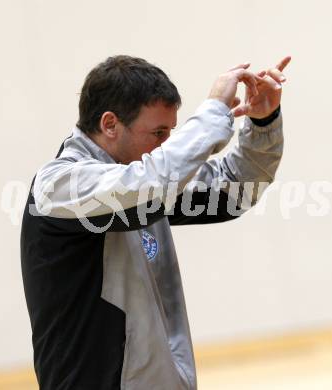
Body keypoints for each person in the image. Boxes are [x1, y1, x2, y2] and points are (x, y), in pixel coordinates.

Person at [21, 54, 290, 390]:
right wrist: (213, 111)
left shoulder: (144, 179)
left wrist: (263, 123)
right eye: (159, 132)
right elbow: (152, 179)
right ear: (109, 124)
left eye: (171, 133)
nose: (166, 145)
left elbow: (236, 187)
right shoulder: (61, 186)